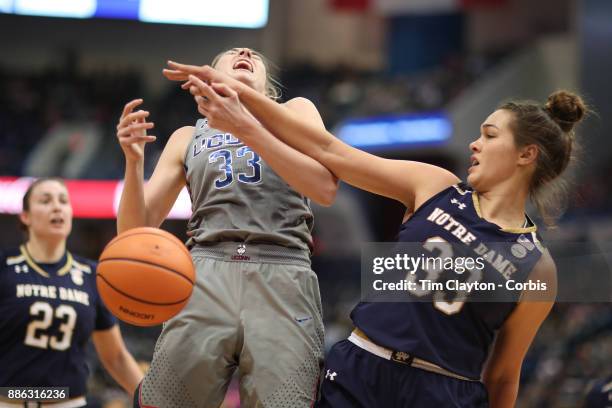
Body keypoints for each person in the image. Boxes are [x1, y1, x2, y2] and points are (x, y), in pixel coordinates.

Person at [165, 62, 587, 407]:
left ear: (526, 155)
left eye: (489, 136)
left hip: (442, 391)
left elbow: (503, 375)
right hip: (360, 368)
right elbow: (330, 150)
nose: (474, 145)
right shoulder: (435, 185)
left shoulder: (538, 266)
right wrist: (242, 104)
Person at [116, 48, 338, 407]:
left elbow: (324, 188)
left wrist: (244, 124)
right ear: (209, 76)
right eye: (232, 53)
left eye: (255, 55)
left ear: (269, 87)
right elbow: (132, 235)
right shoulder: (187, 136)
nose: (246, 52)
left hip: (282, 270)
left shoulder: (295, 111)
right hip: (205, 270)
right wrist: (133, 162)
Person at [0, 177, 143, 407]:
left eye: (63, 201)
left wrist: (151, 400)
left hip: (69, 402)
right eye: (45, 201)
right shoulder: (5, 266)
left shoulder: (92, 274)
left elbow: (116, 358)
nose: (57, 206)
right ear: (25, 216)